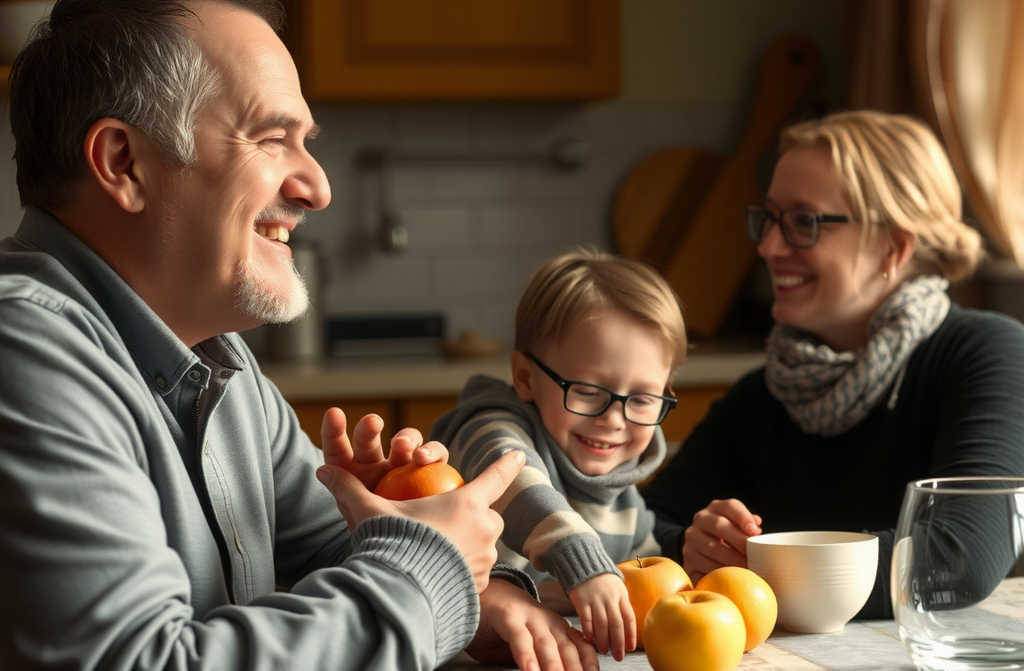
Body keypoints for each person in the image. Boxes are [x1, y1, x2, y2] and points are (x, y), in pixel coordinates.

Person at [0, 2, 599, 670]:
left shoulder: (215, 359)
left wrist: (461, 583)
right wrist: (423, 574)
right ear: (124, 162)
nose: (318, 186)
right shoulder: (24, 350)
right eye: (270, 138)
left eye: (306, 142)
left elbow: (336, 552)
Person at [642, 109, 1024, 619]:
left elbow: (959, 558)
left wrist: (752, 568)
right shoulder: (764, 393)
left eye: (804, 222)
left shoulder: (986, 353)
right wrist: (694, 548)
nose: (768, 246)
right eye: (769, 218)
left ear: (894, 246)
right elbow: (641, 530)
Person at [430, 249, 688, 659]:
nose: (614, 419)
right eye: (587, 391)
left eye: (642, 399)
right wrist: (581, 562)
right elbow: (516, 480)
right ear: (525, 377)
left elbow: (645, 582)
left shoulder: (624, 492)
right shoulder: (491, 427)